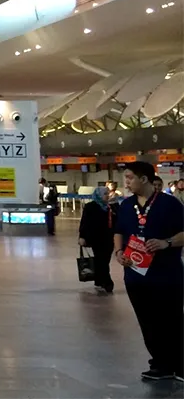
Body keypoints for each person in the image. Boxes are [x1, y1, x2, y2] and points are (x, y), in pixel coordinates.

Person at [113, 161, 183, 381]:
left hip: (166, 274)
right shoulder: (126, 205)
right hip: (136, 275)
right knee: (147, 321)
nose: (126, 183)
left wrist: (167, 242)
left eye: (130, 178)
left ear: (144, 179)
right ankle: (160, 364)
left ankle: (179, 364)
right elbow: (119, 231)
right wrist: (118, 252)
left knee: (172, 320)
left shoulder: (169, 204)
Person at [78, 186, 115, 294]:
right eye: (105, 194)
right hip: (96, 238)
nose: (107, 196)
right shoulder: (90, 207)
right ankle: (107, 282)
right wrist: (82, 236)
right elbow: (84, 222)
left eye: (108, 194)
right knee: (101, 260)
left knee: (104, 260)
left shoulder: (110, 207)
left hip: (108, 238)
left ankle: (99, 280)